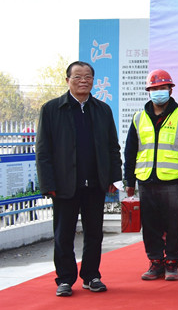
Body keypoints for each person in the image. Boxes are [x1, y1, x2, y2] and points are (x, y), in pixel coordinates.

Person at [36, 61, 122, 297]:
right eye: (77, 77)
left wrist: (114, 178)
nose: (83, 81)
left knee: (94, 233)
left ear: (93, 81)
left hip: (95, 183)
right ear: (67, 81)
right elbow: (43, 151)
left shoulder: (103, 110)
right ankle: (65, 279)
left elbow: (112, 147)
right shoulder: (52, 109)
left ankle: (91, 276)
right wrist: (48, 184)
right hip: (64, 184)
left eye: (88, 77)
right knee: (64, 234)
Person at [124, 69, 178, 281]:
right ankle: (155, 261)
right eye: (154, 88)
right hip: (145, 179)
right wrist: (129, 180)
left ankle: (172, 262)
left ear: (171, 90)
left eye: (163, 88)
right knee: (149, 224)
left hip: (172, 180)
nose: (159, 92)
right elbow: (130, 151)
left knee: (174, 224)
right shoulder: (139, 118)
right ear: (148, 91)